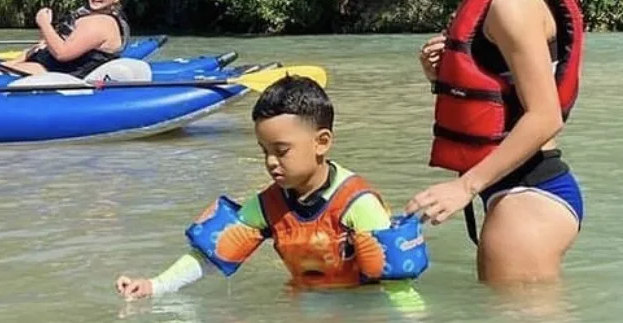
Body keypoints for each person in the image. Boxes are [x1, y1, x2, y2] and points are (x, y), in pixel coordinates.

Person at [408, 0, 586, 285]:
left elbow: (546, 117)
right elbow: (505, 99)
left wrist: (464, 188)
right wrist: (443, 77)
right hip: (517, 191)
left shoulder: (512, 3)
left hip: (529, 196)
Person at [116, 76, 428, 299]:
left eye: (281, 150)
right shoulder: (267, 206)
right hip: (302, 304)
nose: (270, 162)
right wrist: (155, 286)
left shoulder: (358, 204)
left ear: (322, 143)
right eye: (264, 150)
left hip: (360, 311)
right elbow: (213, 255)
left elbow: (398, 287)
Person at [4, 0, 130, 78]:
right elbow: (52, 44)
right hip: (47, 65)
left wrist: (43, 23)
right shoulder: (88, 16)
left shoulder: (101, 23)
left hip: (58, 75)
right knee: (1, 68)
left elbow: (62, 54)